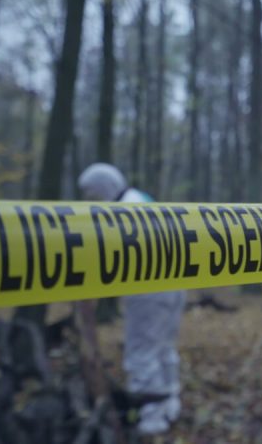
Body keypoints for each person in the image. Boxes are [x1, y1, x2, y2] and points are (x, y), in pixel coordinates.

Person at [78, 163, 186, 435]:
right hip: (175, 283)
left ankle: (151, 418)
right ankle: (169, 403)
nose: (90, 200)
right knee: (163, 349)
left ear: (103, 188)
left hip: (150, 290)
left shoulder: (125, 209)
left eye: (91, 193)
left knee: (141, 353)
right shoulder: (140, 199)